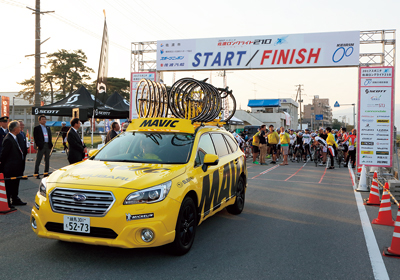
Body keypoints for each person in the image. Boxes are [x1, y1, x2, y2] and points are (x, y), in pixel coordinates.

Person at [0, 121, 26, 208]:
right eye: (19, 127)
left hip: (17, 167)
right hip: (10, 168)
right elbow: (4, 155)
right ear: (15, 129)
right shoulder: (8, 139)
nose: (20, 128)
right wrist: (3, 168)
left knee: (15, 184)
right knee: (9, 185)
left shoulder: (15, 137)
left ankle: (15, 199)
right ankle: (8, 202)